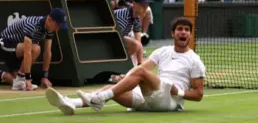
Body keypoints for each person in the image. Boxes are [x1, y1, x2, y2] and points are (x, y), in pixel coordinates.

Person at [45, 17, 205, 115]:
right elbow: (145, 68)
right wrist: (127, 78)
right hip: (150, 98)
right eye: (179, 29)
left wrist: (179, 91)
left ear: (190, 34)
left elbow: (198, 94)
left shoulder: (194, 59)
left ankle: (99, 98)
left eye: (186, 30)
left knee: (138, 73)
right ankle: (72, 103)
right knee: (114, 88)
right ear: (173, 33)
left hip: (170, 100)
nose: (183, 32)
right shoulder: (162, 51)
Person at [0, 8, 68, 91]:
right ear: (49, 20)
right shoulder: (32, 25)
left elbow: (47, 52)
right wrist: (27, 78)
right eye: (57, 25)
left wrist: (45, 77)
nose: (58, 29)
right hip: (3, 45)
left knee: (17, 82)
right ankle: (21, 78)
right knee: (35, 49)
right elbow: (28, 52)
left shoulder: (49, 29)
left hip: (18, 49)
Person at [115, 0, 150, 66]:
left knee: (136, 45)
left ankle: (119, 63)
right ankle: (117, 64)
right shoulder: (122, 18)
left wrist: (140, 65)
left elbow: (139, 44)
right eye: (143, 5)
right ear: (134, 4)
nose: (145, 8)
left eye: (146, 5)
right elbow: (114, 40)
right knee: (134, 45)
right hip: (105, 39)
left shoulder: (136, 17)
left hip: (117, 38)